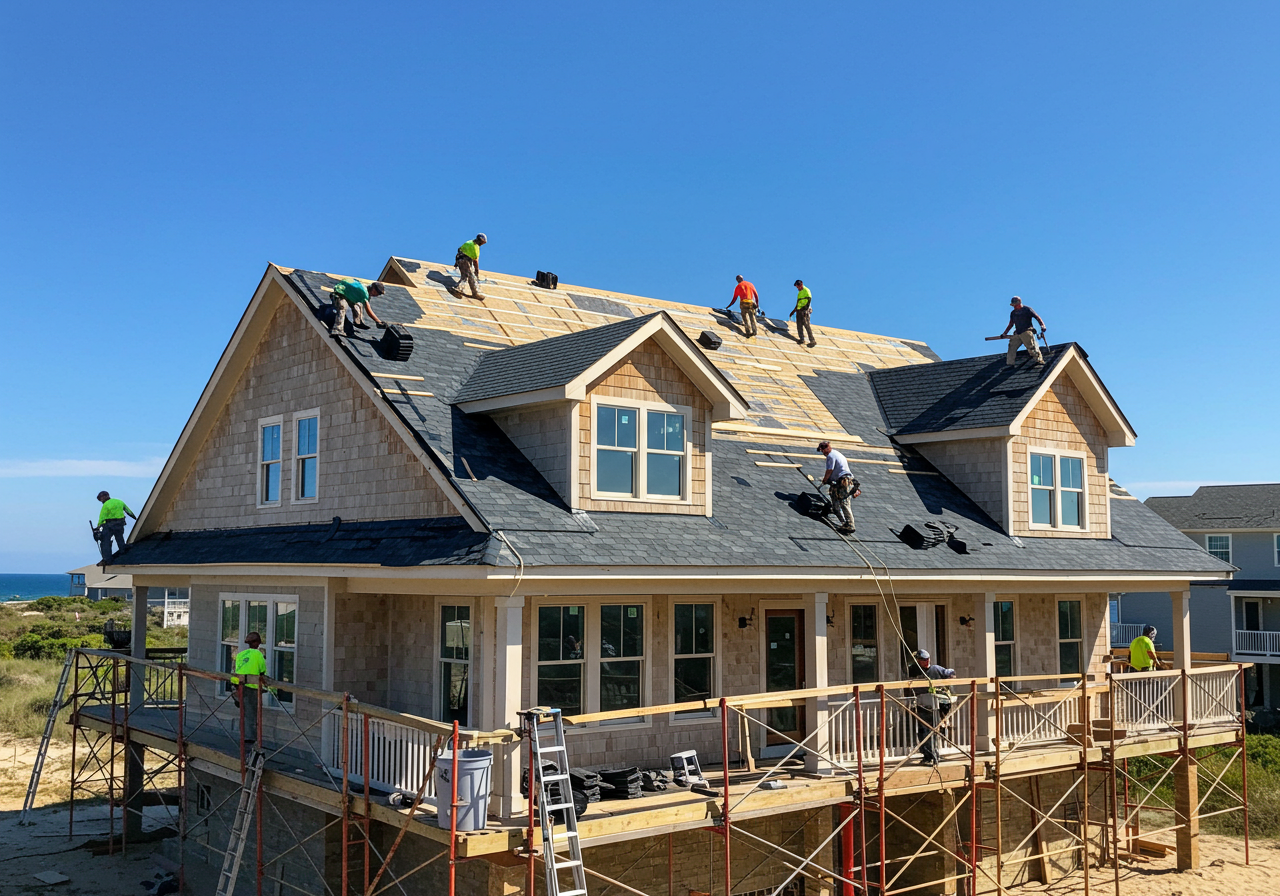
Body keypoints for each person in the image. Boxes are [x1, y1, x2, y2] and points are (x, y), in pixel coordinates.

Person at [910, 649, 957, 765]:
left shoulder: (936, 669)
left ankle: (934, 756)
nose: (926, 662)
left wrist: (949, 679)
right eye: (923, 660)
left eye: (927, 659)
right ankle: (927, 756)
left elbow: (950, 673)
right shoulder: (914, 670)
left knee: (932, 731)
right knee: (923, 731)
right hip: (922, 704)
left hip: (936, 705)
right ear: (918, 661)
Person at [231, 632, 268, 750]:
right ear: (256, 643)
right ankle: (250, 741)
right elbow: (262, 671)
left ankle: (244, 737)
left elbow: (237, 669)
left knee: (244, 713)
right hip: (252, 688)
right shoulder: (258, 654)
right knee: (252, 715)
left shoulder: (240, 654)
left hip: (238, 686)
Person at [818, 440, 858, 533]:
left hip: (844, 481)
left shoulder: (831, 456)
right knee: (833, 493)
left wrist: (825, 480)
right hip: (841, 480)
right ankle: (835, 509)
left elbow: (829, 470)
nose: (823, 453)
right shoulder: (836, 453)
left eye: (823, 451)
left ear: (826, 449)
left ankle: (850, 525)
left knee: (844, 502)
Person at [1000, 296, 1046, 367]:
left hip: (1026, 331)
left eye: (1015, 305)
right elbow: (1011, 324)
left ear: (1019, 303)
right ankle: (1010, 364)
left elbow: (1037, 317)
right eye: (1013, 305)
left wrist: (1042, 325)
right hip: (1018, 333)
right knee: (1012, 347)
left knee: (1031, 347)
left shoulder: (1027, 309)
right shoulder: (1013, 313)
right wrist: (1004, 333)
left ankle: (1039, 360)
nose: (1014, 307)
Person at [95, 491, 136, 565]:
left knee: (105, 541)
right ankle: (123, 550)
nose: (101, 501)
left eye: (101, 499)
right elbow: (128, 511)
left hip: (110, 524)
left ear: (104, 497)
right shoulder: (119, 501)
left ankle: (107, 560)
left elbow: (102, 517)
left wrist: (98, 526)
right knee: (119, 537)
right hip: (120, 523)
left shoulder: (106, 504)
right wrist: (136, 518)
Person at [454, 233, 489, 299]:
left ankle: (461, 288)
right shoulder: (475, 247)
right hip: (465, 261)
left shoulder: (469, 242)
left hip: (460, 259)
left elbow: (459, 250)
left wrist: (456, 262)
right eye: (482, 242)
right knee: (470, 276)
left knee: (466, 276)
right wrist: (476, 271)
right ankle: (474, 292)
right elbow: (475, 261)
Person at [790, 280, 816, 347]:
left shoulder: (806, 290)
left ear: (801, 284)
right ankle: (801, 339)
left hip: (804, 311)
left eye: (798, 286)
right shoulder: (799, 293)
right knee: (799, 325)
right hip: (799, 310)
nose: (798, 288)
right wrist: (794, 310)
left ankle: (812, 340)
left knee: (806, 325)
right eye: (797, 287)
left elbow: (809, 301)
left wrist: (805, 309)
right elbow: (798, 302)